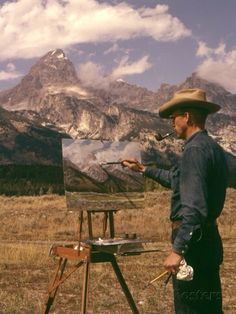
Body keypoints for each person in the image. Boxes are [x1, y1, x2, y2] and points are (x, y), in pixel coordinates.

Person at [122, 88, 228, 314]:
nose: (171, 123)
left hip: (194, 247)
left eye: (174, 117)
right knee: (208, 306)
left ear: (187, 116)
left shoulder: (195, 151)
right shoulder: (211, 148)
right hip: (207, 242)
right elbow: (178, 180)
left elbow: (195, 209)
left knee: (190, 308)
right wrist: (143, 169)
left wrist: (178, 250)